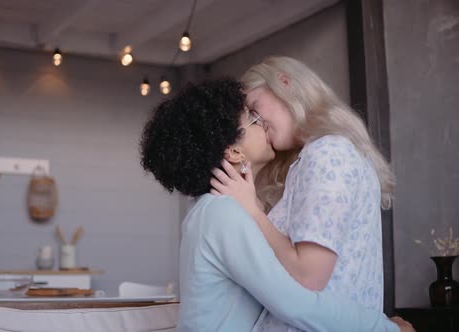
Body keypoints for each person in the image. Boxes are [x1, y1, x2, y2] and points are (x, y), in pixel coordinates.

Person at [139, 78, 412, 332]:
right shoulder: (222, 214)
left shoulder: (211, 211)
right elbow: (296, 303)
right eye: (254, 120)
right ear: (233, 151)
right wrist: (387, 328)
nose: (265, 125)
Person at [210, 56, 396, 331]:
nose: (256, 124)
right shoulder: (314, 157)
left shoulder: (328, 153)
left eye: (253, 109)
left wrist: (252, 211)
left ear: (284, 83)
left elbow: (308, 277)